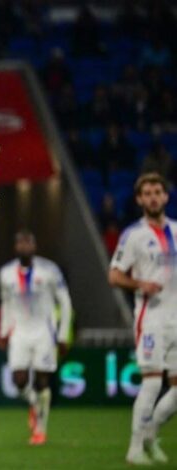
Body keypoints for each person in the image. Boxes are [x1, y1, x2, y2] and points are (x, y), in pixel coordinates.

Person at [109, 172, 177, 466]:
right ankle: (134, 449)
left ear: (166, 196)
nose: (153, 198)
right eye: (147, 193)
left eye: (157, 192)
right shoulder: (133, 235)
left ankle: (150, 435)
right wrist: (140, 284)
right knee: (152, 382)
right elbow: (114, 275)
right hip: (151, 318)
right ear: (139, 200)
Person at [0, 229, 72, 445]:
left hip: (44, 332)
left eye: (28, 243)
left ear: (34, 246)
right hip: (20, 332)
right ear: (15, 247)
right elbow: (6, 303)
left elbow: (65, 302)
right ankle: (34, 403)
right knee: (19, 381)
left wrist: (63, 334)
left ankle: (40, 429)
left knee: (42, 380)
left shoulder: (50, 270)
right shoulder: (6, 273)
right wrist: (3, 331)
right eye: (20, 243)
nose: (24, 246)